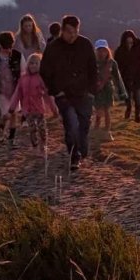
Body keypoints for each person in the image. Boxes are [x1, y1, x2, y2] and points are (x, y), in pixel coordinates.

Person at [40, 15, 98, 170]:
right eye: (70, 32)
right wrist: (56, 91)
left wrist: (92, 91)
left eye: (76, 31)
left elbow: (93, 68)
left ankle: (82, 147)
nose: (73, 35)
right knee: (71, 125)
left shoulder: (85, 44)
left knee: (84, 125)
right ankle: (74, 156)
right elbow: (45, 72)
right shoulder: (53, 48)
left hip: (84, 93)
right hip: (64, 95)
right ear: (63, 30)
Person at [6, 52, 56, 158]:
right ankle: (35, 146)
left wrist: (53, 108)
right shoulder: (23, 79)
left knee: (42, 128)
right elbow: (17, 94)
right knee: (32, 129)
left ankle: (43, 146)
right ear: (28, 64)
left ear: (40, 65)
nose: (33, 65)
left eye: (36, 63)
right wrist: (12, 108)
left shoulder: (41, 78)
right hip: (27, 111)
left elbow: (47, 94)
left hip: (39, 109)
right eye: (31, 63)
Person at [0, 31, 23, 146]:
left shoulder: (17, 55)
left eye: (9, 46)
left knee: (14, 114)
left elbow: (24, 71)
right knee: (6, 114)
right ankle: (1, 129)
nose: (8, 49)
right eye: (5, 46)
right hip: (1, 91)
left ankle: (11, 139)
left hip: (15, 90)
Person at [92, 39, 127, 142]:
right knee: (98, 110)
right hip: (97, 90)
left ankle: (107, 131)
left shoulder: (112, 63)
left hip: (107, 90)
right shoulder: (93, 63)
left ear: (107, 50)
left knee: (107, 110)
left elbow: (118, 78)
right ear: (96, 51)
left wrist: (122, 92)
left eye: (104, 50)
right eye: (99, 50)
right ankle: (96, 131)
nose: (102, 52)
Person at [114, 30, 140, 123]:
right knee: (127, 98)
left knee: (137, 99)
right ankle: (128, 110)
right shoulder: (120, 51)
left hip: (137, 78)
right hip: (125, 79)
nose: (129, 44)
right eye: (127, 43)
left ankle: (137, 115)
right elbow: (117, 65)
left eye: (131, 42)